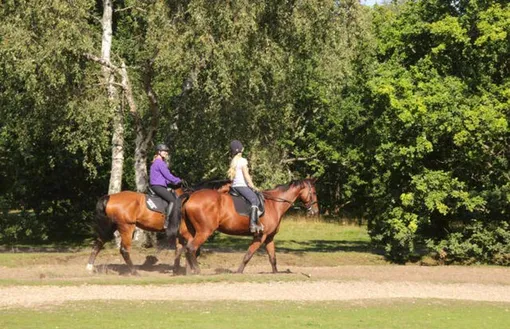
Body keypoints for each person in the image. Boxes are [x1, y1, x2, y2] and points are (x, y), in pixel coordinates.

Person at [228, 140, 263, 234]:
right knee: (254, 199)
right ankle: (253, 224)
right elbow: (246, 175)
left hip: (234, 186)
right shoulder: (243, 160)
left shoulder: (233, 161)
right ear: (241, 149)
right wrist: (253, 186)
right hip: (242, 186)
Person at [149, 143, 182, 232]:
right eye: (164, 151)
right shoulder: (160, 163)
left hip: (158, 186)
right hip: (158, 187)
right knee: (173, 200)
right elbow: (168, 175)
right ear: (159, 152)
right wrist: (178, 180)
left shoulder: (157, 162)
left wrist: (172, 182)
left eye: (166, 151)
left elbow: (164, 178)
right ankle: (167, 222)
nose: (166, 153)